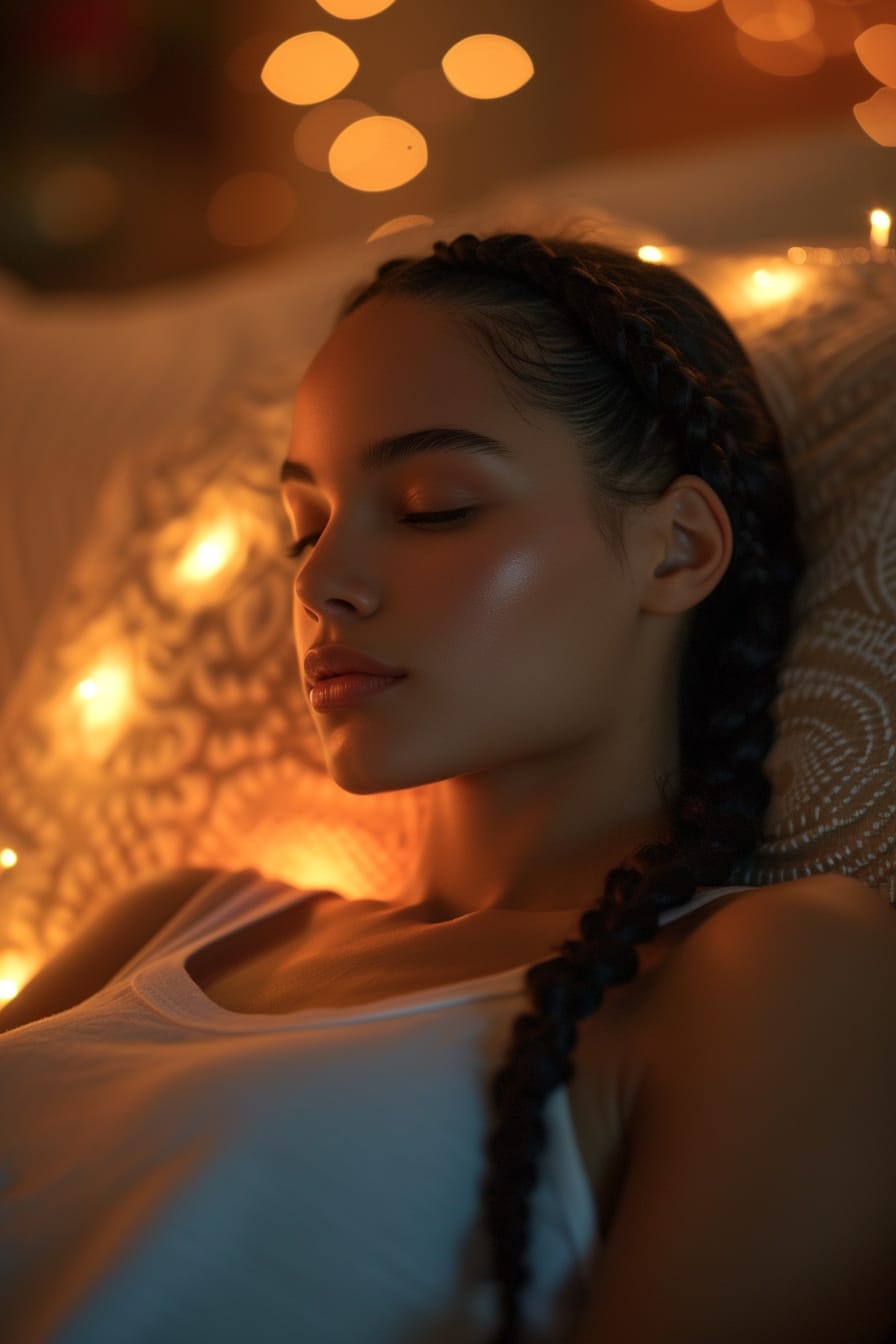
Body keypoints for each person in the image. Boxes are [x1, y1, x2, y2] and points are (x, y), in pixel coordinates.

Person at [2, 230, 895, 1344]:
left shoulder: (767, 968)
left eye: (433, 505)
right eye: (304, 525)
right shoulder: (167, 923)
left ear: (673, 550)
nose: (323, 580)